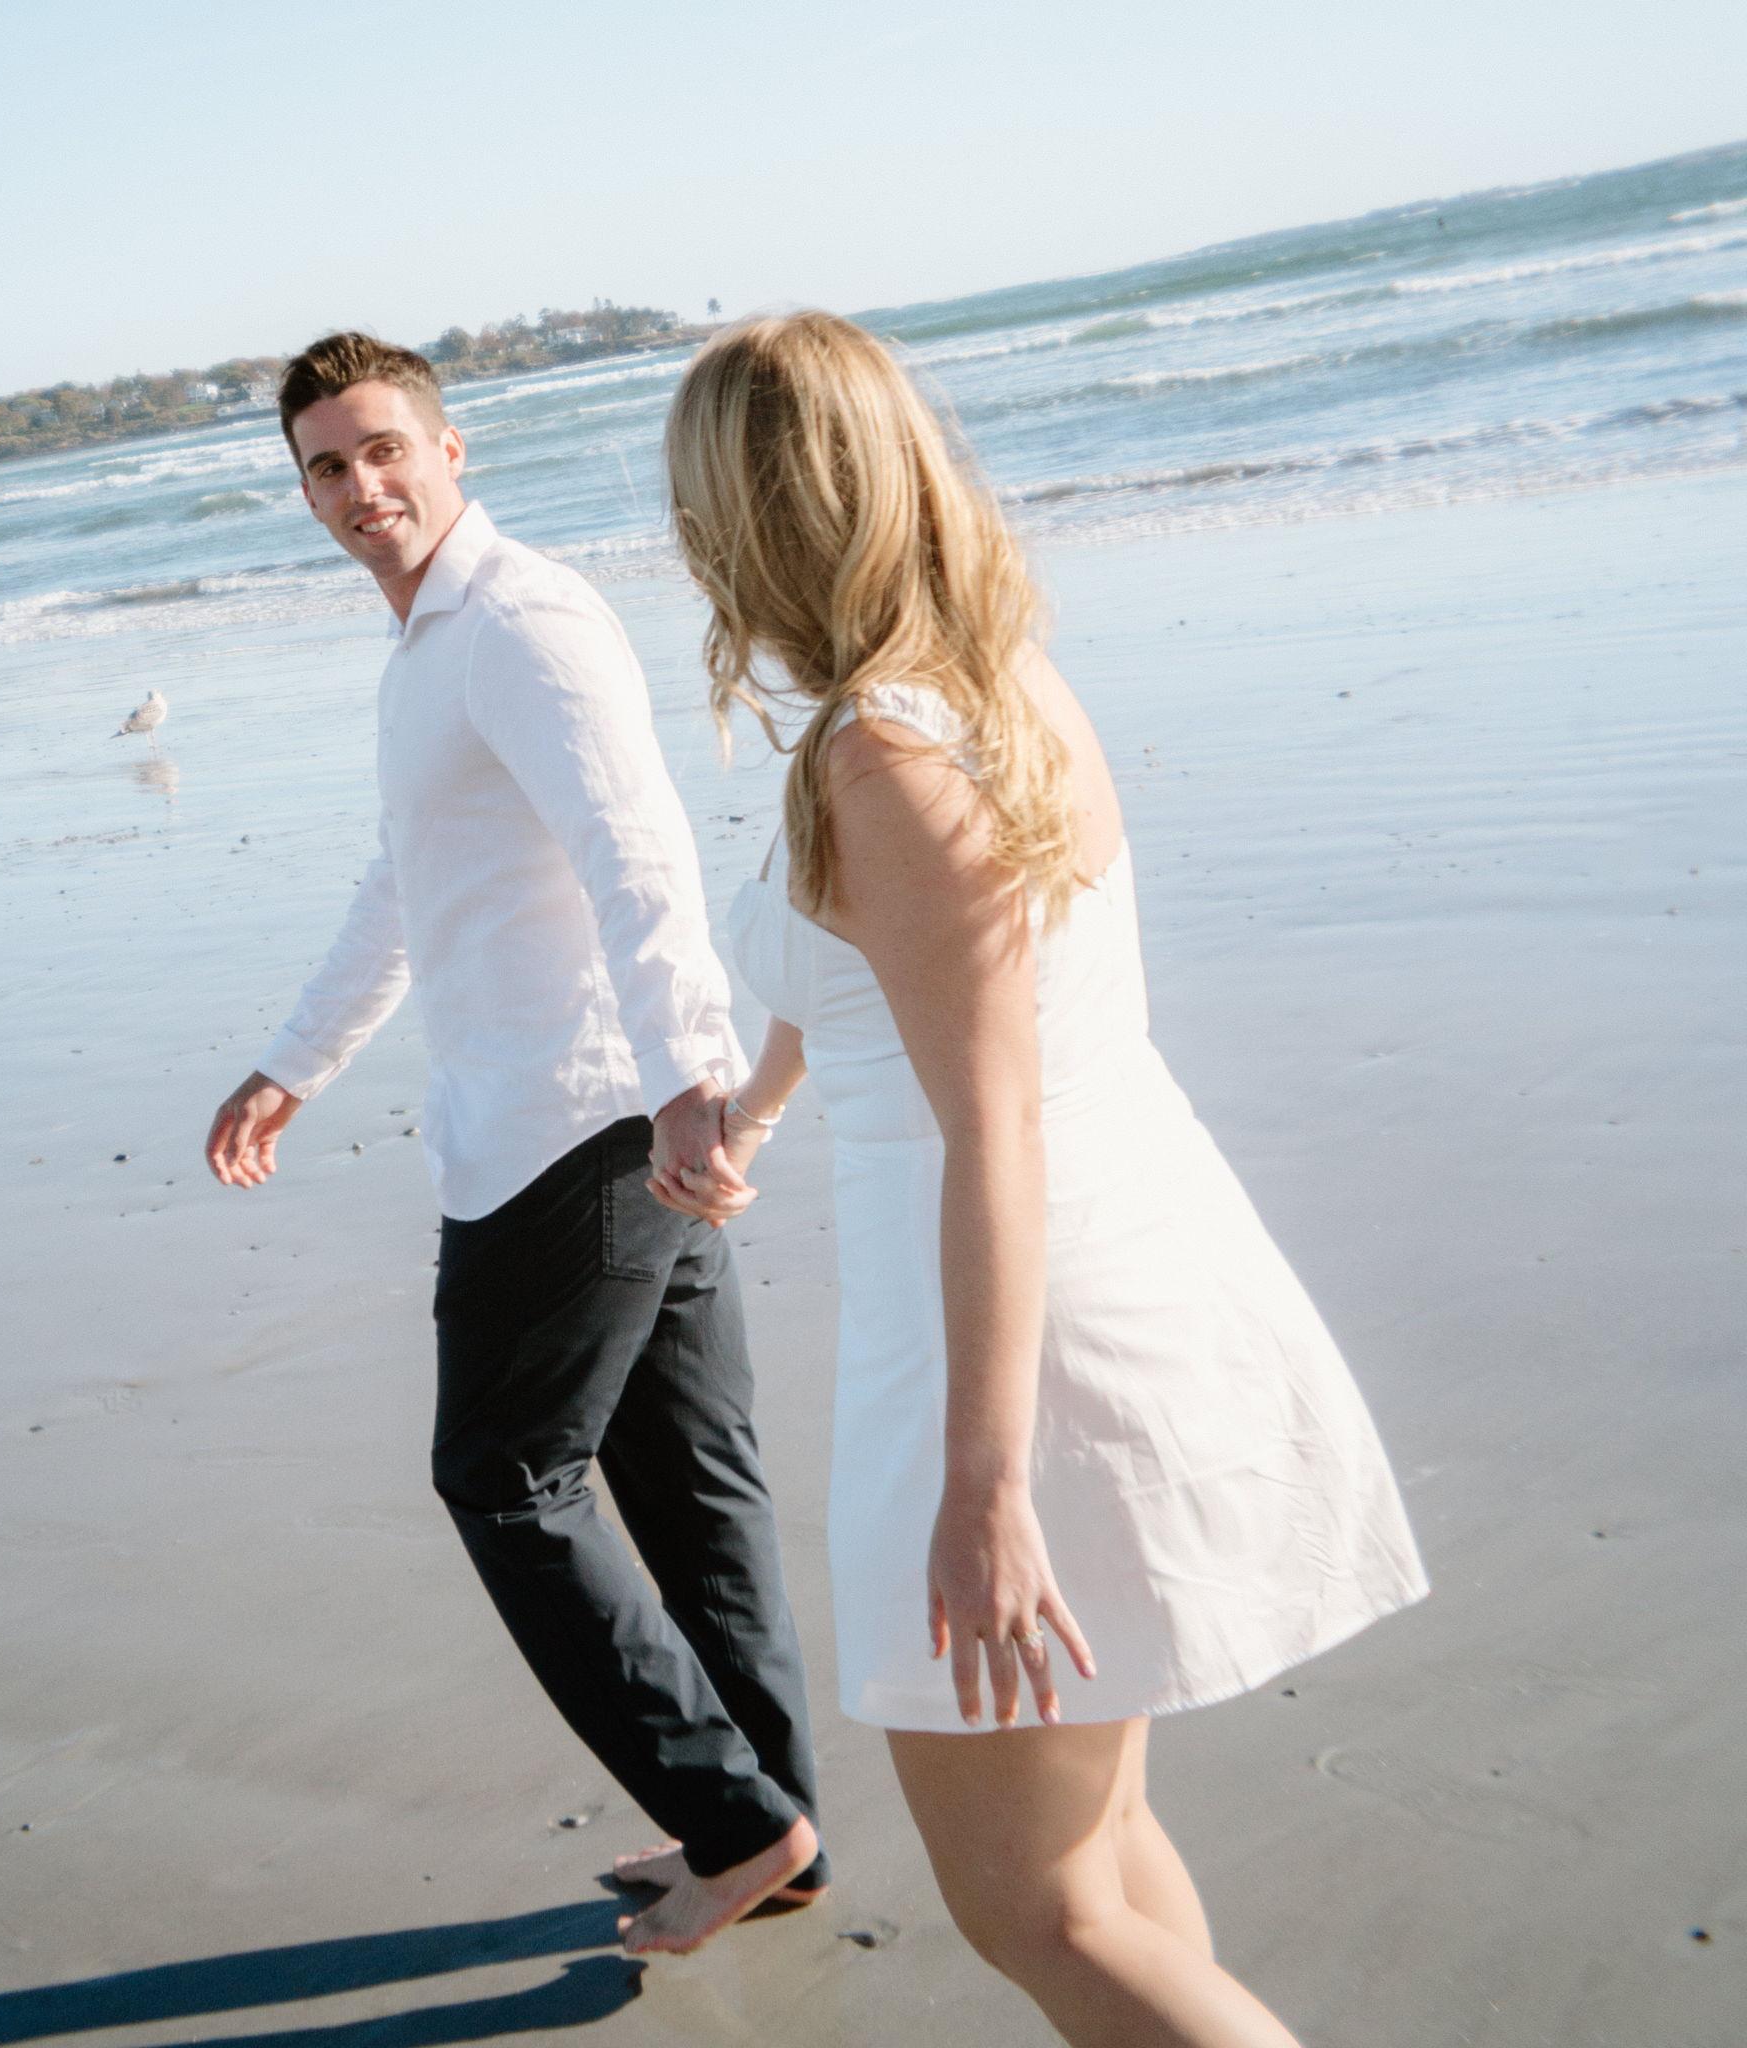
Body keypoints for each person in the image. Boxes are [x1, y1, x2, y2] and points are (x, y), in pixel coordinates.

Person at [656, 312, 1430, 2043]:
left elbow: (992, 1119)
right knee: (1103, 1856)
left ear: (751, 517)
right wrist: (752, 1108)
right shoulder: (987, 680)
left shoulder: (880, 753)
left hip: (1009, 1329)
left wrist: (987, 1487)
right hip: (1089, 1261)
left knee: (1037, 1908)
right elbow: (886, 977)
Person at [203, 332, 826, 1956]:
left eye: (385, 450)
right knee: (690, 1491)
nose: (363, 487)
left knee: (503, 1478)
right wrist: (294, 1064)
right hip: (581, 1117)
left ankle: (739, 1824)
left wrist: (689, 1082)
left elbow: (639, 852)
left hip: (584, 1127)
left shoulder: (521, 622)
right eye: (328, 468)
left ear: (451, 450)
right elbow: (408, 878)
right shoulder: (427, 648)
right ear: (305, 494)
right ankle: (776, 1828)